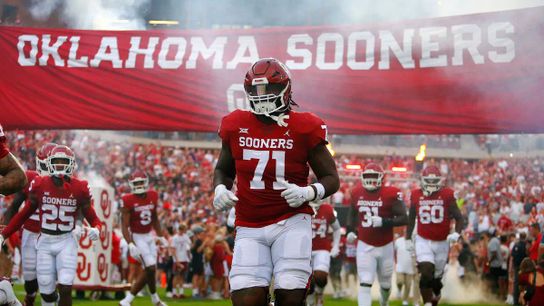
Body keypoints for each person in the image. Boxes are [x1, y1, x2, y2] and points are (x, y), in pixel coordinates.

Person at [213, 57, 340, 306]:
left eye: (268, 88)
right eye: (256, 90)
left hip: (291, 221)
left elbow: (332, 179)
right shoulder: (235, 124)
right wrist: (219, 187)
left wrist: (309, 192)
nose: (261, 95)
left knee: (290, 296)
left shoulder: (304, 126)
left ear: (285, 88)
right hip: (249, 224)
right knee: (246, 300)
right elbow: (223, 170)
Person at [1, 145, 101, 306]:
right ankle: (31, 297)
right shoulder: (35, 182)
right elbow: (19, 211)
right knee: (35, 282)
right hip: (37, 235)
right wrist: (4, 233)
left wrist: (86, 226)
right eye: (56, 161)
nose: (59, 166)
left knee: (63, 285)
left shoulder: (78, 186)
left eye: (63, 162)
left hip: (63, 238)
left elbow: (85, 210)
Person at [2, 143, 57, 306]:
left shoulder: (66, 182)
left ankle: (50, 300)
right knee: (30, 276)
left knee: (48, 276)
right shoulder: (30, 178)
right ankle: (30, 297)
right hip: (30, 233)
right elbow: (14, 206)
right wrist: (4, 230)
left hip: (52, 235)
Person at [347, 163, 408, 306]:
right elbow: (352, 215)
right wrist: (350, 230)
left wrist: (384, 222)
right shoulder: (356, 192)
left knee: (386, 284)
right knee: (365, 281)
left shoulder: (391, 193)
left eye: (373, 176)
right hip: (365, 244)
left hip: (386, 245)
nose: (370, 180)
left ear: (381, 177)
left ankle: (384, 302)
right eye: (367, 176)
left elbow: (404, 218)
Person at [406, 165, 464, 306]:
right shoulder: (415, 194)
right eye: (429, 181)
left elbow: (459, 217)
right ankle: (426, 303)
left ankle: (436, 294)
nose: (431, 184)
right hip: (423, 239)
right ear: (422, 180)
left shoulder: (447, 194)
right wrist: (408, 238)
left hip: (442, 241)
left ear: (440, 181)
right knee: (425, 272)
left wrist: (456, 233)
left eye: (434, 181)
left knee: (436, 280)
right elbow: (411, 218)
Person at [119, 171, 168, 306]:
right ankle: (127, 300)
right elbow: (124, 225)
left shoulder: (153, 195)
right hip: (137, 237)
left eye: (141, 182)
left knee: (151, 271)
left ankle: (155, 299)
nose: (139, 185)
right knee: (151, 268)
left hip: (149, 236)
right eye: (136, 183)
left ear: (146, 182)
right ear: (131, 185)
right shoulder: (127, 200)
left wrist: (160, 235)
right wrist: (130, 243)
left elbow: (155, 218)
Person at [307, 200, 341, 306]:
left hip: (322, 248)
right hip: (304, 249)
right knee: (308, 281)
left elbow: (337, 229)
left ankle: (320, 294)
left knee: (321, 276)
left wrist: (335, 246)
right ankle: (311, 297)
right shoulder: (301, 206)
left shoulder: (327, 209)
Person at [395, 232, 417, 306]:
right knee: (400, 281)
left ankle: (405, 300)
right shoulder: (398, 241)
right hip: (400, 266)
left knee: (408, 285)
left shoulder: (414, 242)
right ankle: (399, 289)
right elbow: (394, 251)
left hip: (409, 267)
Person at [171, 223, 191, 298]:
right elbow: (173, 250)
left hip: (184, 259)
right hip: (178, 259)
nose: (185, 231)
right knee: (176, 276)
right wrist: (177, 261)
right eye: (184, 230)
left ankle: (181, 293)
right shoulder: (175, 238)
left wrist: (188, 256)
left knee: (182, 276)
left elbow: (189, 245)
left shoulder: (185, 236)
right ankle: (174, 293)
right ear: (181, 229)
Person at [511, 232, 528, 305]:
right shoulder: (526, 245)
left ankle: (515, 301)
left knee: (516, 284)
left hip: (517, 266)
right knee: (525, 284)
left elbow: (512, 256)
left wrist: (512, 267)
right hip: (524, 268)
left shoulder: (516, 245)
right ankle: (523, 302)